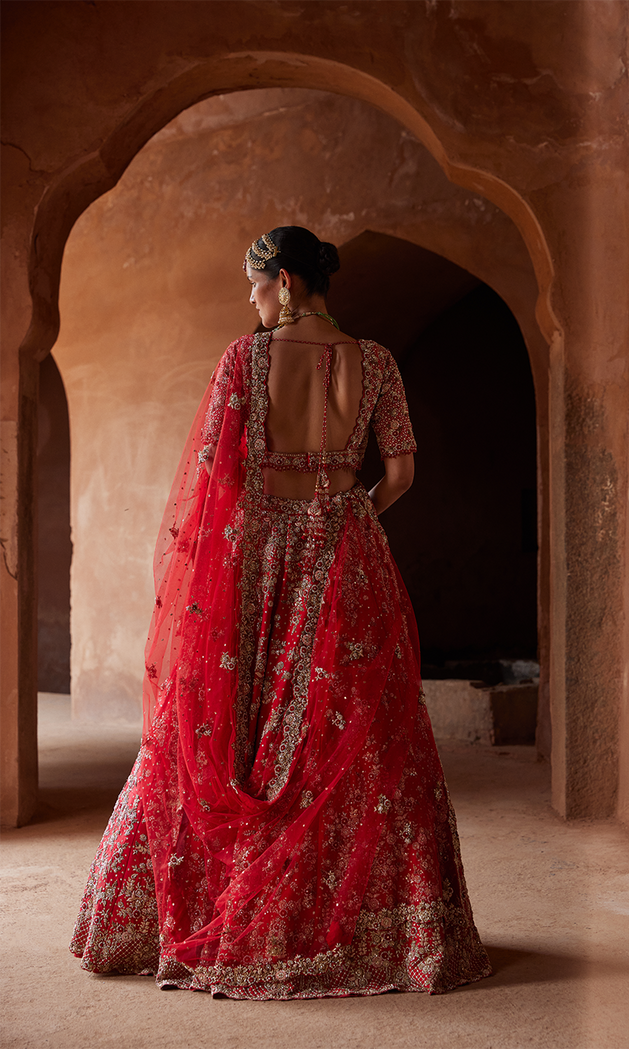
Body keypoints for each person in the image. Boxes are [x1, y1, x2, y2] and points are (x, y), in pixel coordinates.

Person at [70, 226, 492, 999]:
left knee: (234, 724)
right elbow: (401, 472)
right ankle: (386, 929)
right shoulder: (377, 362)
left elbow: (214, 476)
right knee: (358, 737)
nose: (252, 297)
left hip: (259, 559)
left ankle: (224, 919)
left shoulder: (244, 360)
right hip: (348, 555)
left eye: (256, 282)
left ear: (287, 281)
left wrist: (234, 551)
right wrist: (353, 512)